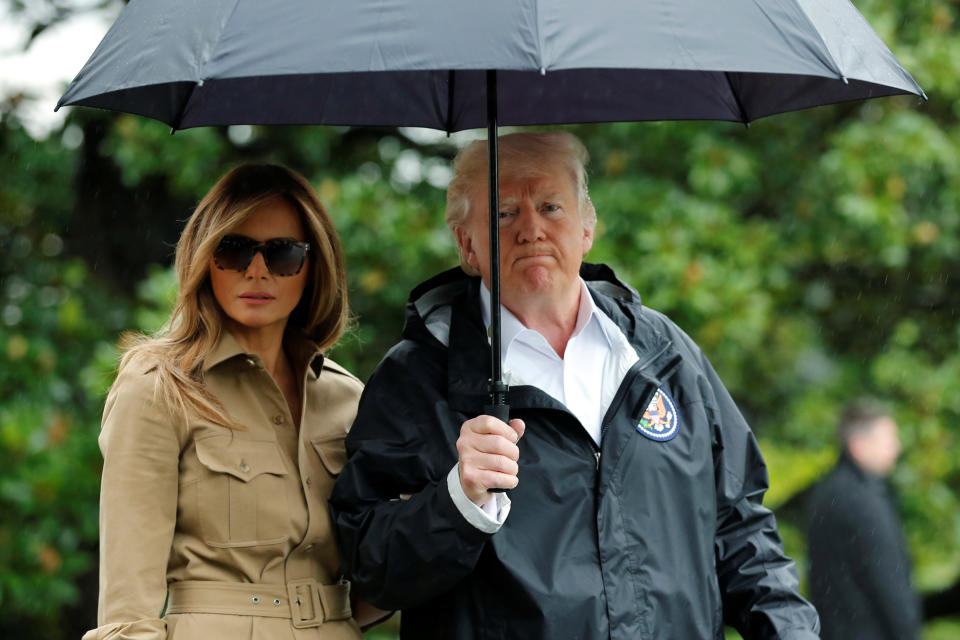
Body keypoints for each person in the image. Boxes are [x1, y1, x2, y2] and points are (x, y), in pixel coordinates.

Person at [330, 131, 820, 639]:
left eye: (550, 206)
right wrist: (458, 501)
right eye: (503, 213)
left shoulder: (663, 354)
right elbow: (370, 572)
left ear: (587, 227)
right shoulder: (419, 378)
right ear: (467, 245)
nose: (531, 229)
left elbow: (741, 529)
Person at [84, 164, 382, 640]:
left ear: (313, 268)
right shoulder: (159, 386)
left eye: (283, 253)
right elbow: (127, 607)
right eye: (234, 250)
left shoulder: (347, 398)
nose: (257, 270)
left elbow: (382, 575)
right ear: (204, 259)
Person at [806, 399, 920, 640]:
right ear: (858, 445)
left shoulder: (827, 492)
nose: (896, 448)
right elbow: (889, 583)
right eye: (888, 440)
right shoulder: (862, 501)